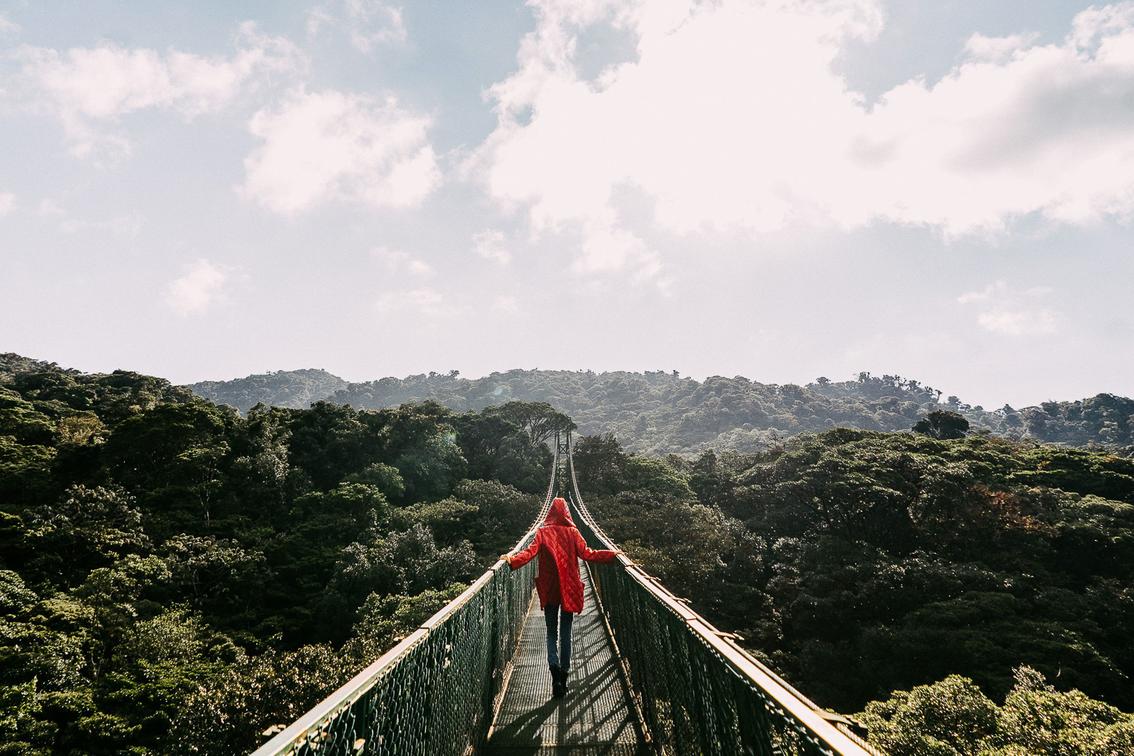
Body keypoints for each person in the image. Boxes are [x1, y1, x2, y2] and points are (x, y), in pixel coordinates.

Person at [500, 497, 621, 698]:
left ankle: (554, 669)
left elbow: (529, 553)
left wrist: (512, 560)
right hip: (569, 589)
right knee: (566, 632)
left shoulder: (542, 532)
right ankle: (564, 676)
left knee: (550, 632)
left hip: (550, 589)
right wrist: (612, 555)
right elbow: (588, 554)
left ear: (550, 513)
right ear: (566, 513)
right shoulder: (573, 532)